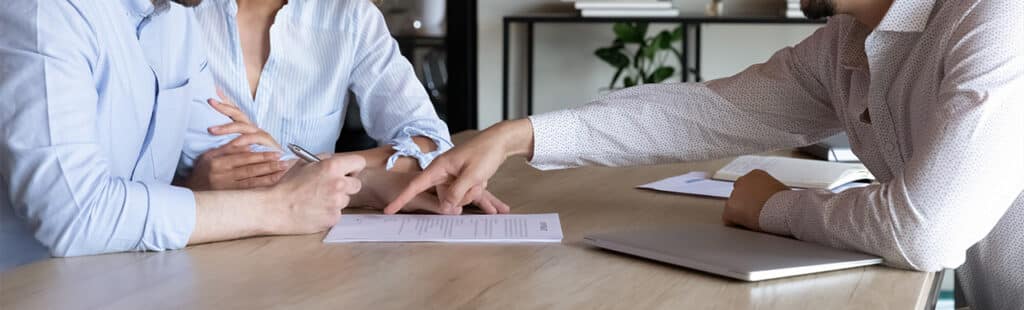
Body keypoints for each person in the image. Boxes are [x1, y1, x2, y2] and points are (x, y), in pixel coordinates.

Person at [387, 0, 1024, 308]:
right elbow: (710, 111)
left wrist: (775, 206)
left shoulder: (998, 18)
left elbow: (926, 229)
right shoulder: (845, 42)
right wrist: (517, 134)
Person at [0, 0, 366, 271]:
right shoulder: (43, 11)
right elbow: (76, 215)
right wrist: (278, 208)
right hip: (30, 287)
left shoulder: (178, 17)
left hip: (136, 280)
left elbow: (229, 149)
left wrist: (368, 184)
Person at [181, 0, 508, 215]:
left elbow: (429, 144)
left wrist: (314, 167)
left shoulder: (348, 15)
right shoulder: (173, 13)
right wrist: (187, 187)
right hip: (185, 242)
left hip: (309, 250)